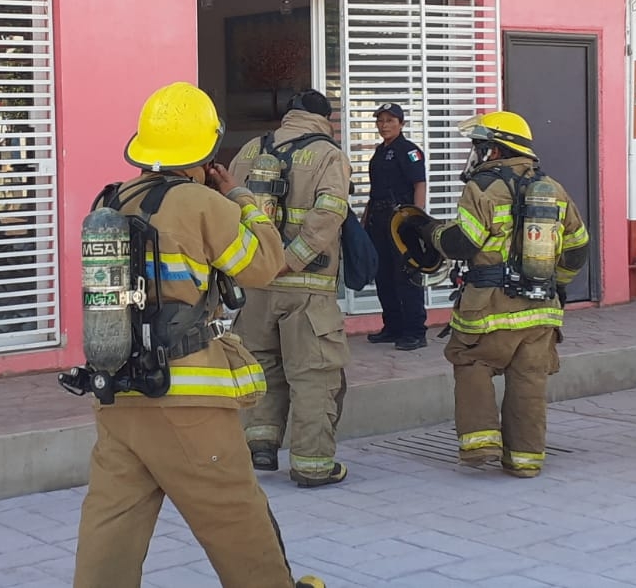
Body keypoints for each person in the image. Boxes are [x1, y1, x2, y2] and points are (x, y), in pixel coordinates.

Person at [72, 82, 325, 588]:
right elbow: (264, 265)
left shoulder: (114, 200)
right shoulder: (201, 204)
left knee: (112, 521)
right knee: (235, 515)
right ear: (206, 150)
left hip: (118, 391)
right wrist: (240, 195)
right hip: (187, 397)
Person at [391, 112, 589, 477]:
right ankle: (526, 461)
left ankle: (480, 444)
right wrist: (556, 284)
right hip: (541, 309)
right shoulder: (554, 188)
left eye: (480, 147)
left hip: (489, 306)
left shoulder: (482, 187)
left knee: (471, 361)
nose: (477, 154)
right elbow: (578, 247)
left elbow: (461, 243)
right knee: (529, 379)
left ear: (495, 149)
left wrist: (427, 228)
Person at [229, 89, 352, 488]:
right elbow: (330, 213)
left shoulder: (249, 150)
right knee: (313, 375)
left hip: (256, 286)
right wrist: (292, 258)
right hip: (307, 288)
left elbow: (228, 206)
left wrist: (254, 263)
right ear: (324, 119)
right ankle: (313, 465)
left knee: (262, 364)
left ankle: (261, 446)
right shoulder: (329, 155)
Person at [361, 102, 429, 350]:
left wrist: (416, 219)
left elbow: (419, 184)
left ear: (402, 124)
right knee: (384, 275)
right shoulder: (380, 151)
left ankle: (415, 331)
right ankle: (393, 327)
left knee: (406, 275)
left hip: (401, 220)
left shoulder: (409, 151)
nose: (384, 125)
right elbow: (375, 191)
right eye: (380, 121)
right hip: (378, 220)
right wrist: (365, 219)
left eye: (390, 121)